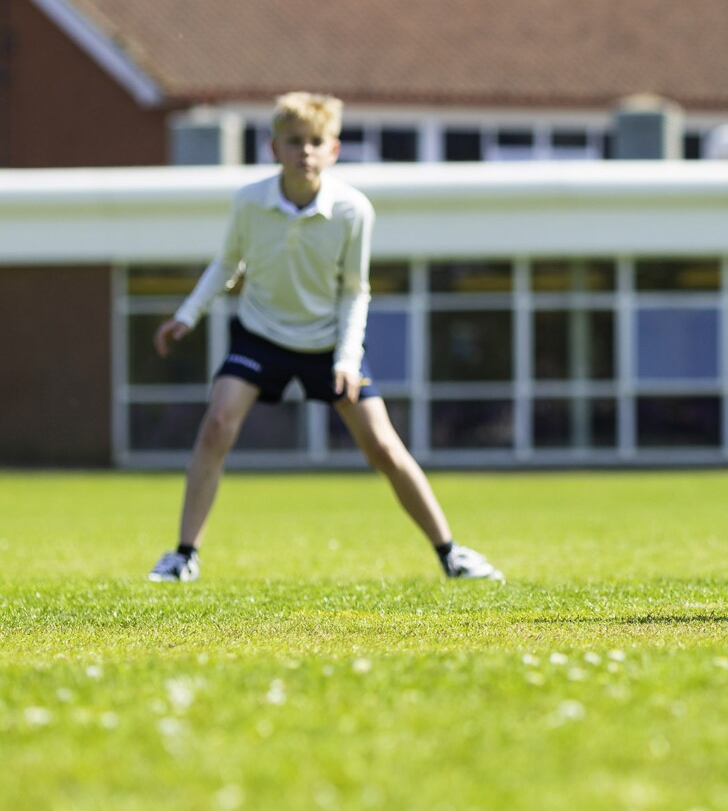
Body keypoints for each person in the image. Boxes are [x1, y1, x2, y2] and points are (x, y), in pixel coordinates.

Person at [148, 92, 502, 583]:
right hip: (260, 337)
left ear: (334, 150)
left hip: (328, 344)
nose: (306, 152)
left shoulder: (353, 210)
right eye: (295, 142)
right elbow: (229, 264)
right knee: (217, 426)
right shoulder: (249, 202)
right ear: (274, 149)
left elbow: (356, 292)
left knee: (382, 447)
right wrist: (188, 314)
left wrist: (346, 359)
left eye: (316, 142)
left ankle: (452, 554)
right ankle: (183, 556)